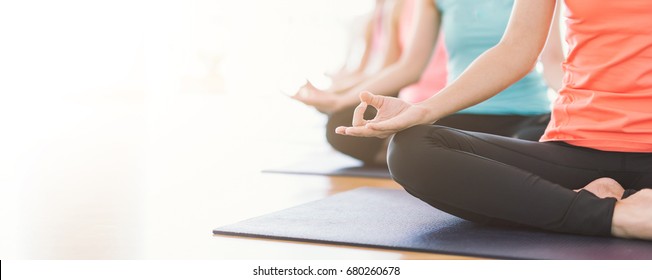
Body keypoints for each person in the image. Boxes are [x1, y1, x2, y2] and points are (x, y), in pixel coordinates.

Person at [336, 0, 652, 240]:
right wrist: (424, 110)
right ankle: (616, 216)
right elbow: (516, 49)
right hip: (576, 148)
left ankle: (576, 206)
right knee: (412, 149)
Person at [295, 0, 562, 166]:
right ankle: (501, 169)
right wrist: (341, 100)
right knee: (360, 132)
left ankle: (486, 167)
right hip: (459, 114)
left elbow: (552, 62)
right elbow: (409, 66)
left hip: (525, 117)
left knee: (537, 143)